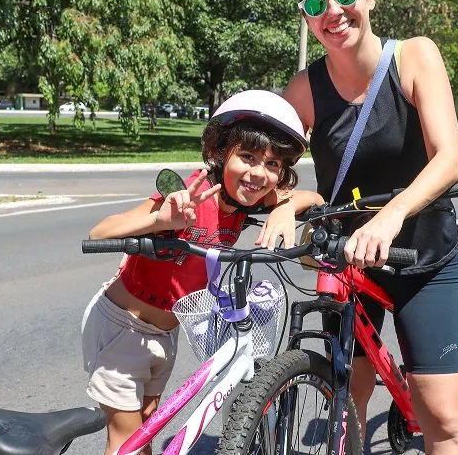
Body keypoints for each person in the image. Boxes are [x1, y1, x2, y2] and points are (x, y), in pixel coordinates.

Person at [283, 0, 458, 454]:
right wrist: (286, 204)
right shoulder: (303, 90)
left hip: (420, 252)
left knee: (442, 418)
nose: (333, 12)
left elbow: (449, 159)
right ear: (306, 16)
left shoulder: (414, 56)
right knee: (347, 400)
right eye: (316, 4)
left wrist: (389, 217)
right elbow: (265, 165)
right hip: (349, 259)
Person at [81, 90, 324, 455]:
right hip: (122, 327)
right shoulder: (189, 197)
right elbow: (100, 231)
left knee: (148, 422)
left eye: (273, 164)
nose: (259, 173)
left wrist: (285, 210)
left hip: (165, 333)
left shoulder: (249, 195)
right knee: (127, 442)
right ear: (220, 154)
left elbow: (314, 200)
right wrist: (158, 221)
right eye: (247, 157)